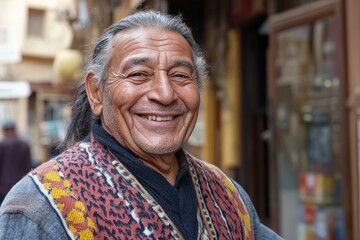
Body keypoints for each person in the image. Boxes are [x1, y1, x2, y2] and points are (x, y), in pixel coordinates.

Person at [0, 11, 284, 239]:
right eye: (138, 74)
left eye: (180, 75)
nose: (164, 93)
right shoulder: (38, 208)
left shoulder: (228, 195)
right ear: (96, 92)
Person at [0, 120, 32, 206]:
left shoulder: (2, 145)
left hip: (3, 188)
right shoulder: (24, 144)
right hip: (20, 187)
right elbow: (29, 167)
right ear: (14, 130)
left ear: (4, 131)